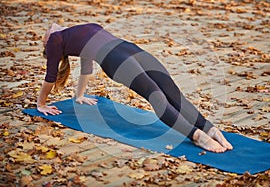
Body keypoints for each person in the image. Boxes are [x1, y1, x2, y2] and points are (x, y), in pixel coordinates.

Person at [37, 23, 233, 153]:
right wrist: (41, 104)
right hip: (115, 60)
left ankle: (209, 128)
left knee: (174, 93)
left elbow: (86, 68)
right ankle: (196, 136)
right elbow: (51, 76)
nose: (49, 28)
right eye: (44, 37)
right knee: (157, 96)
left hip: (130, 48)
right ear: (47, 43)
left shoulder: (72, 34)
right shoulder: (55, 40)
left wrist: (80, 95)